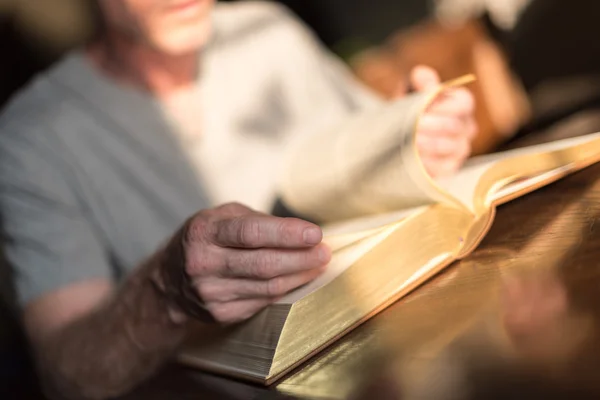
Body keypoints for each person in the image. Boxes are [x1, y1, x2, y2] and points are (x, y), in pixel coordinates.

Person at [0, 0, 476, 398]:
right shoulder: (29, 140)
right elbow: (65, 373)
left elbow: (368, 147)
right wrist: (164, 292)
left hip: (415, 352)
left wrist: (417, 139)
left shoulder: (267, 30)